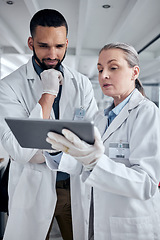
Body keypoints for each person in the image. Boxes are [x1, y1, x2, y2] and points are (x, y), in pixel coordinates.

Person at [0, 9, 98, 240]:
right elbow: (19, 150)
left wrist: (41, 150)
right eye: (44, 46)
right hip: (31, 186)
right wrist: (48, 93)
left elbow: (92, 139)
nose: (52, 54)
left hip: (72, 187)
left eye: (59, 46)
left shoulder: (81, 83)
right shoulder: (9, 86)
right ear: (31, 43)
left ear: (66, 43)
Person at [46, 43, 160, 240]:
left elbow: (147, 184)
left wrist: (95, 162)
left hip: (127, 225)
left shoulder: (146, 113)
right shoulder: (100, 118)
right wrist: (59, 152)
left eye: (113, 68)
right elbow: (86, 165)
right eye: (100, 69)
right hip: (94, 220)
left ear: (134, 72)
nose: (103, 75)